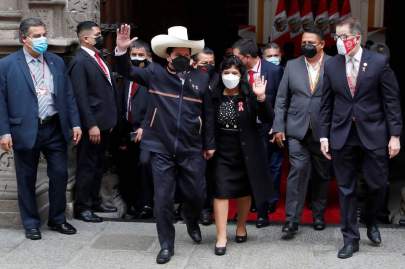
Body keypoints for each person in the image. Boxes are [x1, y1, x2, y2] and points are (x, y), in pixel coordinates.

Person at [115, 24, 215, 264]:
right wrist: (120, 50)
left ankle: (191, 219)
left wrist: (208, 143)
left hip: (191, 147)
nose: (183, 58)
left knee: (197, 194)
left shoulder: (201, 79)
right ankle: (166, 245)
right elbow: (126, 70)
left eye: (186, 55)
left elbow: (208, 113)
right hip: (160, 147)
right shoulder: (154, 74)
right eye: (178, 55)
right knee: (163, 199)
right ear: (168, 55)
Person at [320, 17, 402, 259]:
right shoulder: (332, 65)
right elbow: (326, 104)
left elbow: (391, 101)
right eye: (336, 37)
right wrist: (324, 136)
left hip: (373, 132)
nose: (338, 42)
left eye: (342, 37)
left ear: (356, 38)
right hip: (342, 134)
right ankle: (350, 239)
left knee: (378, 184)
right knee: (346, 188)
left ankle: (370, 219)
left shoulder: (378, 62)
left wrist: (395, 135)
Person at [0, 17, 81, 239]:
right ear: (24, 39)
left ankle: (57, 219)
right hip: (24, 129)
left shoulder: (56, 61)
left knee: (59, 174)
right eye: (37, 36)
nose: (42, 39)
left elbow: (68, 95)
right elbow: (1, 101)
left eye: (44, 34)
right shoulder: (7, 65)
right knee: (26, 178)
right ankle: (31, 223)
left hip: (54, 127)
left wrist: (75, 122)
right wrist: (4, 132)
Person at [272, 27, 332, 240]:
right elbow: (281, 99)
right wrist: (279, 126)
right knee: (297, 170)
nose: (306, 45)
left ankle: (318, 214)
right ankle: (291, 220)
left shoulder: (333, 65)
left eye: (311, 42)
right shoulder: (292, 65)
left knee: (322, 174)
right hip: (296, 128)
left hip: (324, 130)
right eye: (303, 42)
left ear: (322, 44)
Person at [212, 56, 274, 256]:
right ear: (221, 75)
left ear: (242, 75)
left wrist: (261, 98)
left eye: (235, 73)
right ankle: (221, 235)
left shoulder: (248, 95)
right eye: (227, 73)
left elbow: (267, 118)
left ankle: (241, 225)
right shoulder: (214, 95)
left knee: (244, 191)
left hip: (246, 150)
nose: (230, 77)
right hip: (222, 150)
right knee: (221, 191)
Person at [68, 21, 118, 223]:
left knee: (98, 164)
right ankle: (82, 207)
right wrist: (91, 125)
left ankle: (94, 200)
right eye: (97, 34)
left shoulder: (98, 57)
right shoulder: (79, 61)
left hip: (105, 122)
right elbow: (80, 97)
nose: (101, 37)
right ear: (85, 38)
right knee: (87, 165)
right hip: (93, 125)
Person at [232, 38, 283, 228]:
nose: (234, 60)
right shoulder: (236, 73)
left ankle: (263, 212)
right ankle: (244, 208)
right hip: (244, 130)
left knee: (265, 170)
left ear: (247, 57)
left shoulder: (274, 71)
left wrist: (277, 125)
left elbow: (281, 99)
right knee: (243, 170)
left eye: (237, 57)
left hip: (266, 128)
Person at [116, 39, 153, 219]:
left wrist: (145, 127)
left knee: (145, 165)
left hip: (146, 131)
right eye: (134, 55)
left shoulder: (151, 77)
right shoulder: (126, 78)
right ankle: (131, 204)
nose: (137, 58)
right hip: (127, 131)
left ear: (148, 58)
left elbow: (156, 105)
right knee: (128, 168)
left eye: (141, 55)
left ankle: (147, 203)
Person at [192, 47, 218, 225]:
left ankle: (206, 210)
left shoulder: (219, 79)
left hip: (215, 136)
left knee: (209, 176)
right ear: (194, 63)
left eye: (211, 63)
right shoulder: (188, 78)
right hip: (192, 135)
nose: (208, 66)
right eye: (204, 63)